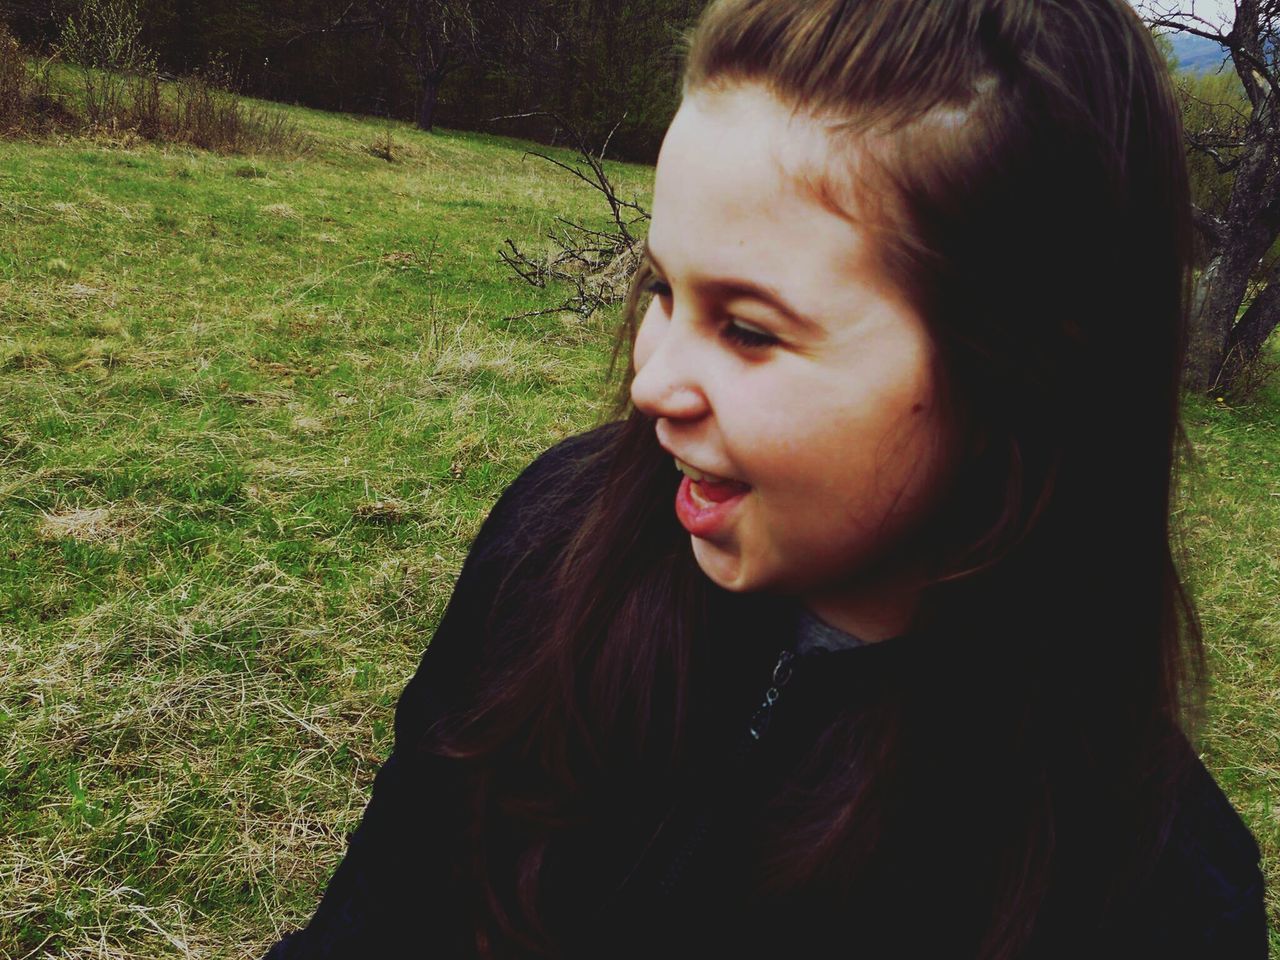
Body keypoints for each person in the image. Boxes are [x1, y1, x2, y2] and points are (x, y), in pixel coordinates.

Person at [264, 0, 1267, 957]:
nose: (651, 383)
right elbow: (384, 909)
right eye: (661, 287)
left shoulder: (1148, 900)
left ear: (1022, 372)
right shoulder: (556, 536)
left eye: (747, 330)